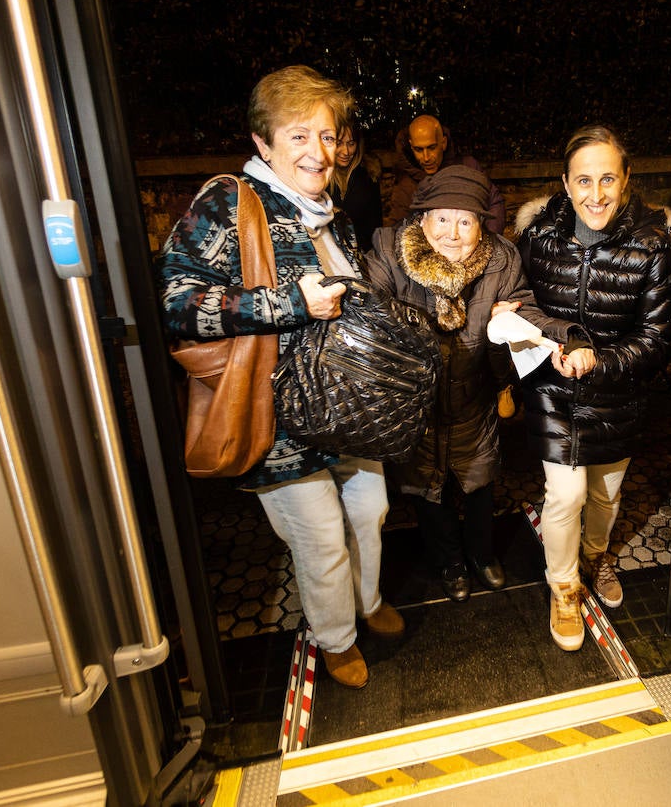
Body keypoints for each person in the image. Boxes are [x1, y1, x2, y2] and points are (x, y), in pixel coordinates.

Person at [159, 65, 403, 691]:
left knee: (371, 510)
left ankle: (367, 599)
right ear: (263, 144)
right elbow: (176, 302)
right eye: (298, 136)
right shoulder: (229, 202)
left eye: (327, 137)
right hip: (278, 418)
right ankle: (336, 638)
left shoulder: (334, 215)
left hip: (344, 410)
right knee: (320, 539)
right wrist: (291, 304)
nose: (317, 153)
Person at [513, 125, 671, 651]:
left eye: (607, 179)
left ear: (626, 179)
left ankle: (597, 554)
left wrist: (601, 362)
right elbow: (519, 297)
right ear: (565, 185)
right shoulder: (539, 237)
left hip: (620, 393)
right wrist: (518, 320)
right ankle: (564, 587)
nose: (596, 195)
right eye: (583, 180)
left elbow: (658, 339)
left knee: (604, 497)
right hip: (553, 389)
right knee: (565, 494)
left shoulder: (653, 247)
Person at [365, 165, 564, 602]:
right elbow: (373, 314)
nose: (452, 233)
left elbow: (526, 307)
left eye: (465, 221)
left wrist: (529, 326)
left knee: (478, 483)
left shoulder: (501, 258)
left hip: (474, 396)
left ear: (481, 225)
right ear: (422, 220)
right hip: (415, 404)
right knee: (427, 488)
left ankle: (482, 554)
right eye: (441, 218)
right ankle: (450, 561)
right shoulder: (388, 251)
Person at [388, 115, 506, 233]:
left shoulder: (468, 168)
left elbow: (494, 203)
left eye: (432, 147)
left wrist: (487, 243)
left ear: (443, 143)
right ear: (411, 146)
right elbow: (397, 232)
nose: (426, 157)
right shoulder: (405, 185)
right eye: (418, 149)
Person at [327, 119, 383, 254]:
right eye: (339, 143)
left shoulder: (369, 176)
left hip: (363, 257)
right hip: (331, 256)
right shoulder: (319, 177)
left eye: (351, 144)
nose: (346, 152)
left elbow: (376, 228)